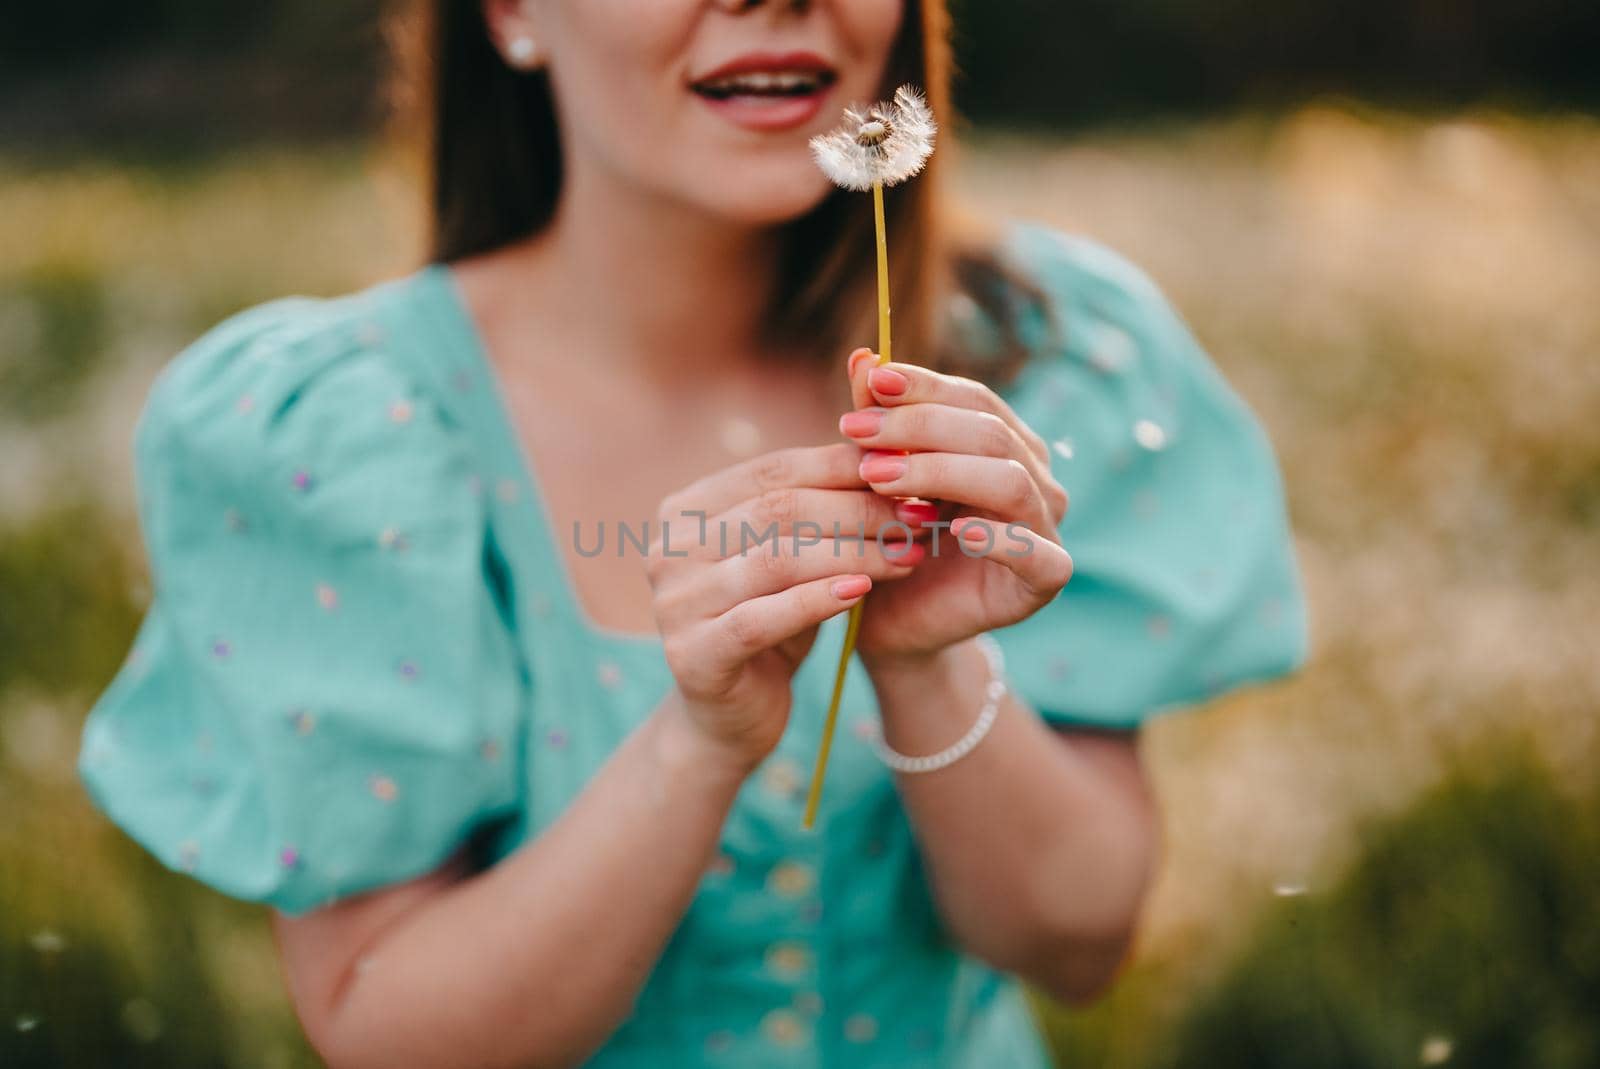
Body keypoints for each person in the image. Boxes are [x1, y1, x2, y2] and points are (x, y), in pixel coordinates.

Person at [75, 0, 1308, 1065]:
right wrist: (700, 742)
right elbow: (381, 1028)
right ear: (507, 11)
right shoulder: (348, 437)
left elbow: (1077, 937)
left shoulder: (1038, 356)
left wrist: (927, 660)